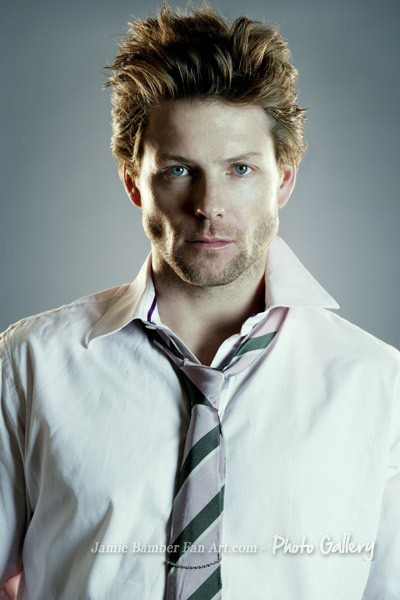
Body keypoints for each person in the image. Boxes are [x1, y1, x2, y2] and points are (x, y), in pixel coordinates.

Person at [1, 4, 399, 599]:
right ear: (134, 181)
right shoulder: (30, 363)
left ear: (283, 179)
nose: (209, 205)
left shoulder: (379, 385)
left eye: (240, 169)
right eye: (179, 170)